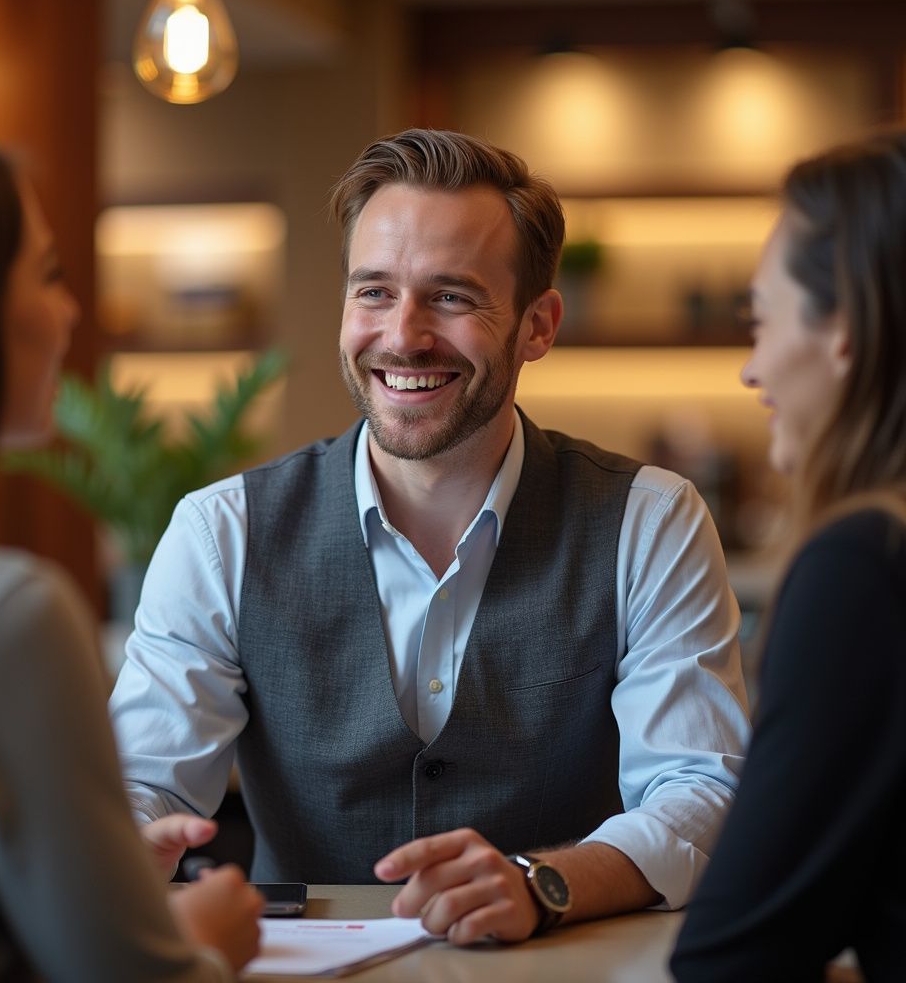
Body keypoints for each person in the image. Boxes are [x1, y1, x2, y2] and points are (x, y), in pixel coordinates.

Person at [110, 127, 750, 945]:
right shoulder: (221, 532)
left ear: (538, 326)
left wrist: (543, 882)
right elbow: (141, 782)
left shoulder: (649, 520)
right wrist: (128, 837)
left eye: (451, 296)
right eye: (373, 292)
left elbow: (702, 793)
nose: (403, 335)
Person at [0, 123, 263, 982]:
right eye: (48, 275)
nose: (69, 312)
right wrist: (204, 937)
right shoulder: (1, 618)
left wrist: (96, 876)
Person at [671, 129, 906, 981]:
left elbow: (734, 955)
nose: (752, 367)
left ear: (844, 326)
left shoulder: (869, 566)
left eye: (761, 320)